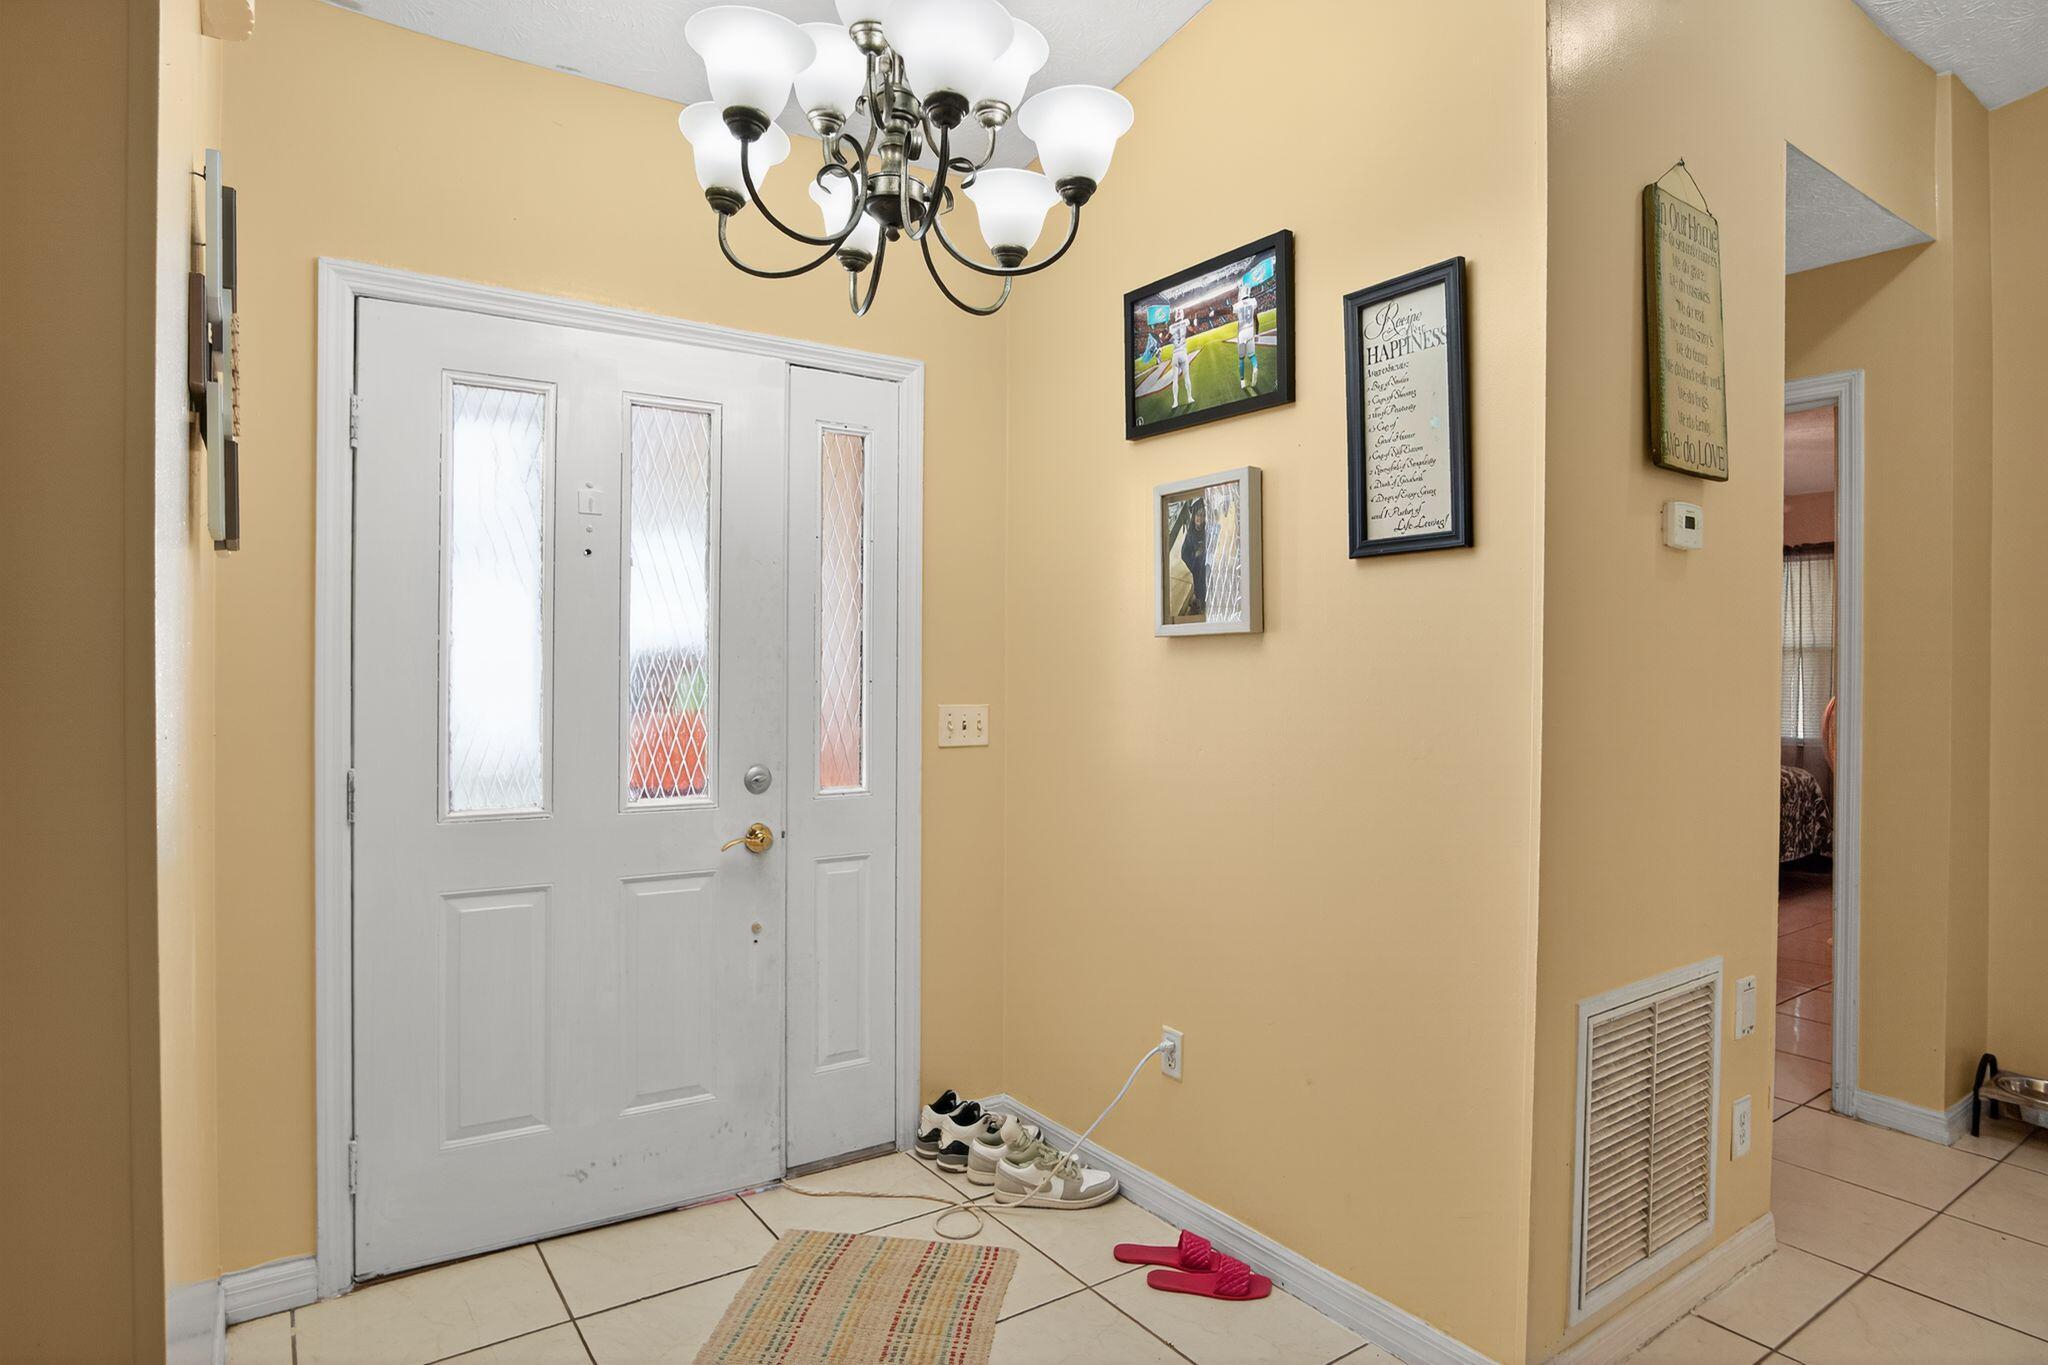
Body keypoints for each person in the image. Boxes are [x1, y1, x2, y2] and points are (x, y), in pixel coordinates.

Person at [1180, 499, 1208, 617]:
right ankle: (1199, 599)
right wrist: (1195, 556)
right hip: (1190, 554)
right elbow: (1185, 552)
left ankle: (1200, 600)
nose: (1199, 518)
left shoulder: (1206, 529)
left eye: (1202, 515)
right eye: (1197, 514)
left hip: (1201, 557)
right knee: (1197, 571)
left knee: (1200, 575)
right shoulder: (1191, 530)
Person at [1234, 284, 1261, 394]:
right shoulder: (1253, 301)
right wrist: (1257, 334)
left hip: (1241, 333)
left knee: (1241, 358)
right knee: (1252, 355)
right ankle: (1255, 367)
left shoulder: (1237, 305)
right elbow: (1256, 319)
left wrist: (1214, 312)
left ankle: (1242, 381)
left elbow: (1225, 311)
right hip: (1250, 330)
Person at [1168, 306, 1197, 409]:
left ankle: (1175, 402)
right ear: (1182, 314)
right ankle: (1189, 397)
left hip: (1175, 354)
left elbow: (1167, 338)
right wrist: (1194, 323)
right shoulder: (1185, 322)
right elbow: (1193, 331)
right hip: (1183, 352)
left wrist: (1166, 336)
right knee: (1187, 377)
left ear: (1175, 316)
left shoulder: (1171, 327)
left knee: (1175, 380)